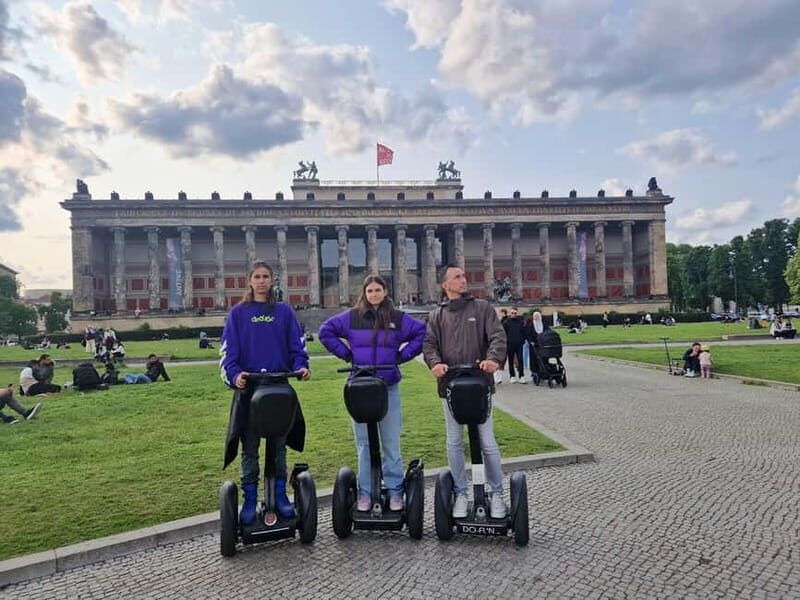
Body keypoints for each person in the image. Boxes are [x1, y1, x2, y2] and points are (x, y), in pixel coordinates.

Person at [319, 274, 426, 512]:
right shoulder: (352, 317)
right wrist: (347, 355)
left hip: (387, 385)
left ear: (385, 292)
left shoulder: (397, 318)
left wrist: (400, 357)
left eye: (378, 290)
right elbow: (326, 331)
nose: (374, 295)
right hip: (361, 387)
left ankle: (396, 491)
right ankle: (365, 491)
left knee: (390, 442)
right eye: (370, 291)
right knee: (364, 444)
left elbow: (421, 333)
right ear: (364, 294)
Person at [220, 260, 311, 525]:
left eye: (266, 276)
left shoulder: (283, 312)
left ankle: (280, 494)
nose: (261, 281)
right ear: (249, 281)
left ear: (272, 280)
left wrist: (301, 367)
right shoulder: (238, 314)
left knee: (278, 446)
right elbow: (228, 354)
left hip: (279, 387)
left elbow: (297, 346)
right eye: (257, 276)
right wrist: (235, 376)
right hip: (250, 389)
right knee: (250, 447)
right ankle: (249, 498)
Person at [423, 264, 508, 519]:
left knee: (488, 442)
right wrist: (435, 363)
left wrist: (493, 359)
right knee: (454, 441)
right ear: (445, 284)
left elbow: (497, 337)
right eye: (457, 277)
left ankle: (496, 493)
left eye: (463, 276)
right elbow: (429, 344)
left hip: (480, 385)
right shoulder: (436, 315)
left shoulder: (482, 308)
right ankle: (460, 492)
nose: (464, 280)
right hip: (450, 387)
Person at [502, 306, 527, 383]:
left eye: (515, 313)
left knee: (520, 360)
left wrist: (522, 341)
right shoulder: (506, 322)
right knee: (510, 360)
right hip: (510, 344)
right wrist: (506, 342)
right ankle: (512, 376)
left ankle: (521, 376)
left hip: (519, 344)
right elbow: (503, 333)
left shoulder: (520, 321)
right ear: (510, 313)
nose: (513, 314)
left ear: (517, 313)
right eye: (512, 313)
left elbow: (524, 332)